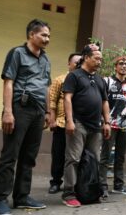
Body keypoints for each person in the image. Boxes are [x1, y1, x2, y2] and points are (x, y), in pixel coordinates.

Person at [0, 19, 51, 215]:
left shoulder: (45, 59)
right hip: (19, 108)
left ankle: (21, 197)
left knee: (29, 157)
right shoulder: (17, 53)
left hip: (38, 112)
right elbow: (8, 82)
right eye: (43, 35)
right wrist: (8, 111)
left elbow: (46, 87)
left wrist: (48, 112)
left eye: (49, 36)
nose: (47, 39)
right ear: (31, 35)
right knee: (10, 155)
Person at [62, 44, 111, 207]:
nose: (99, 62)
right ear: (86, 57)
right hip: (78, 123)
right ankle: (69, 194)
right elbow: (67, 99)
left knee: (93, 160)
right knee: (74, 158)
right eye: (96, 58)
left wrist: (107, 122)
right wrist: (69, 121)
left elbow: (105, 102)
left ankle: (88, 193)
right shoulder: (74, 76)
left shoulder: (99, 79)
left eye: (101, 59)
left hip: (96, 126)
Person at [99, 56, 126, 198]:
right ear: (115, 66)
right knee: (105, 156)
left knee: (120, 157)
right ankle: (102, 186)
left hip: (124, 125)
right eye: (121, 63)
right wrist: (104, 121)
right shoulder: (107, 81)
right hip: (110, 123)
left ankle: (118, 186)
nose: (124, 66)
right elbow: (101, 101)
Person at [48, 53, 82, 194]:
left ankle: (75, 183)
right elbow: (52, 101)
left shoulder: (83, 80)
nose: (78, 64)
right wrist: (52, 119)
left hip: (79, 124)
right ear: (69, 64)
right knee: (58, 154)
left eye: (80, 62)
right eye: (75, 62)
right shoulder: (59, 79)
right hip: (61, 123)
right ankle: (56, 182)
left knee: (75, 156)